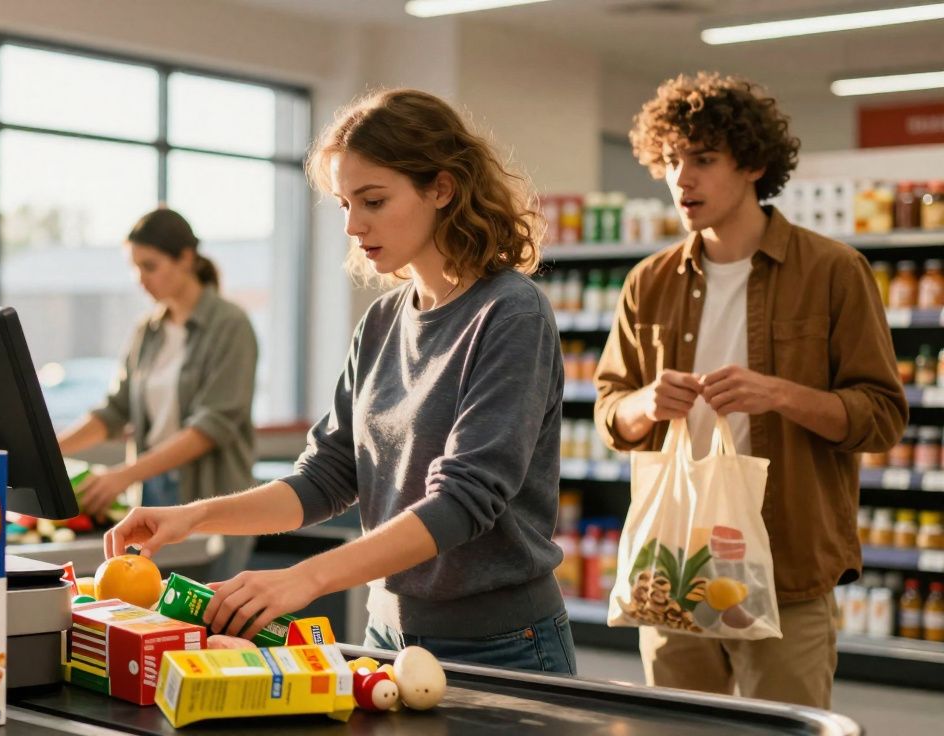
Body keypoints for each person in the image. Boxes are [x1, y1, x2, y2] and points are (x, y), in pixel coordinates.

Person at [106, 89, 575, 674]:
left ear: (442, 189)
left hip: (502, 644)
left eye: (373, 200)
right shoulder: (381, 321)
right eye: (345, 205)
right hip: (386, 635)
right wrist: (195, 517)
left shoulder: (510, 313)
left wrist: (306, 579)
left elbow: (463, 502)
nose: (354, 225)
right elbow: (326, 477)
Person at [594, 72, 907, 708]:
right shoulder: (648, 282)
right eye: (672, 161)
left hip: (785, 566)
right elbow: (609, 411)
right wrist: (644, 404)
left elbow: (881, 418)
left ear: (754, 165)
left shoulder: (833, 271)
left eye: (704, 160)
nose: (683, 179)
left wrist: (780, 395)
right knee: (677, 729)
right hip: (672, 566)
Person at [56, 208, 258, 520]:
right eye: (134, 268)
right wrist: (51, 452)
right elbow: (115, 410)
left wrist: (124, 474)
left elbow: (211, 427)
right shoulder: (146, 331)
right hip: (150, 488)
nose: (140, 279)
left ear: (186, 259)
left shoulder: (231, 325)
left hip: (210, 497)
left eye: (149, 266)